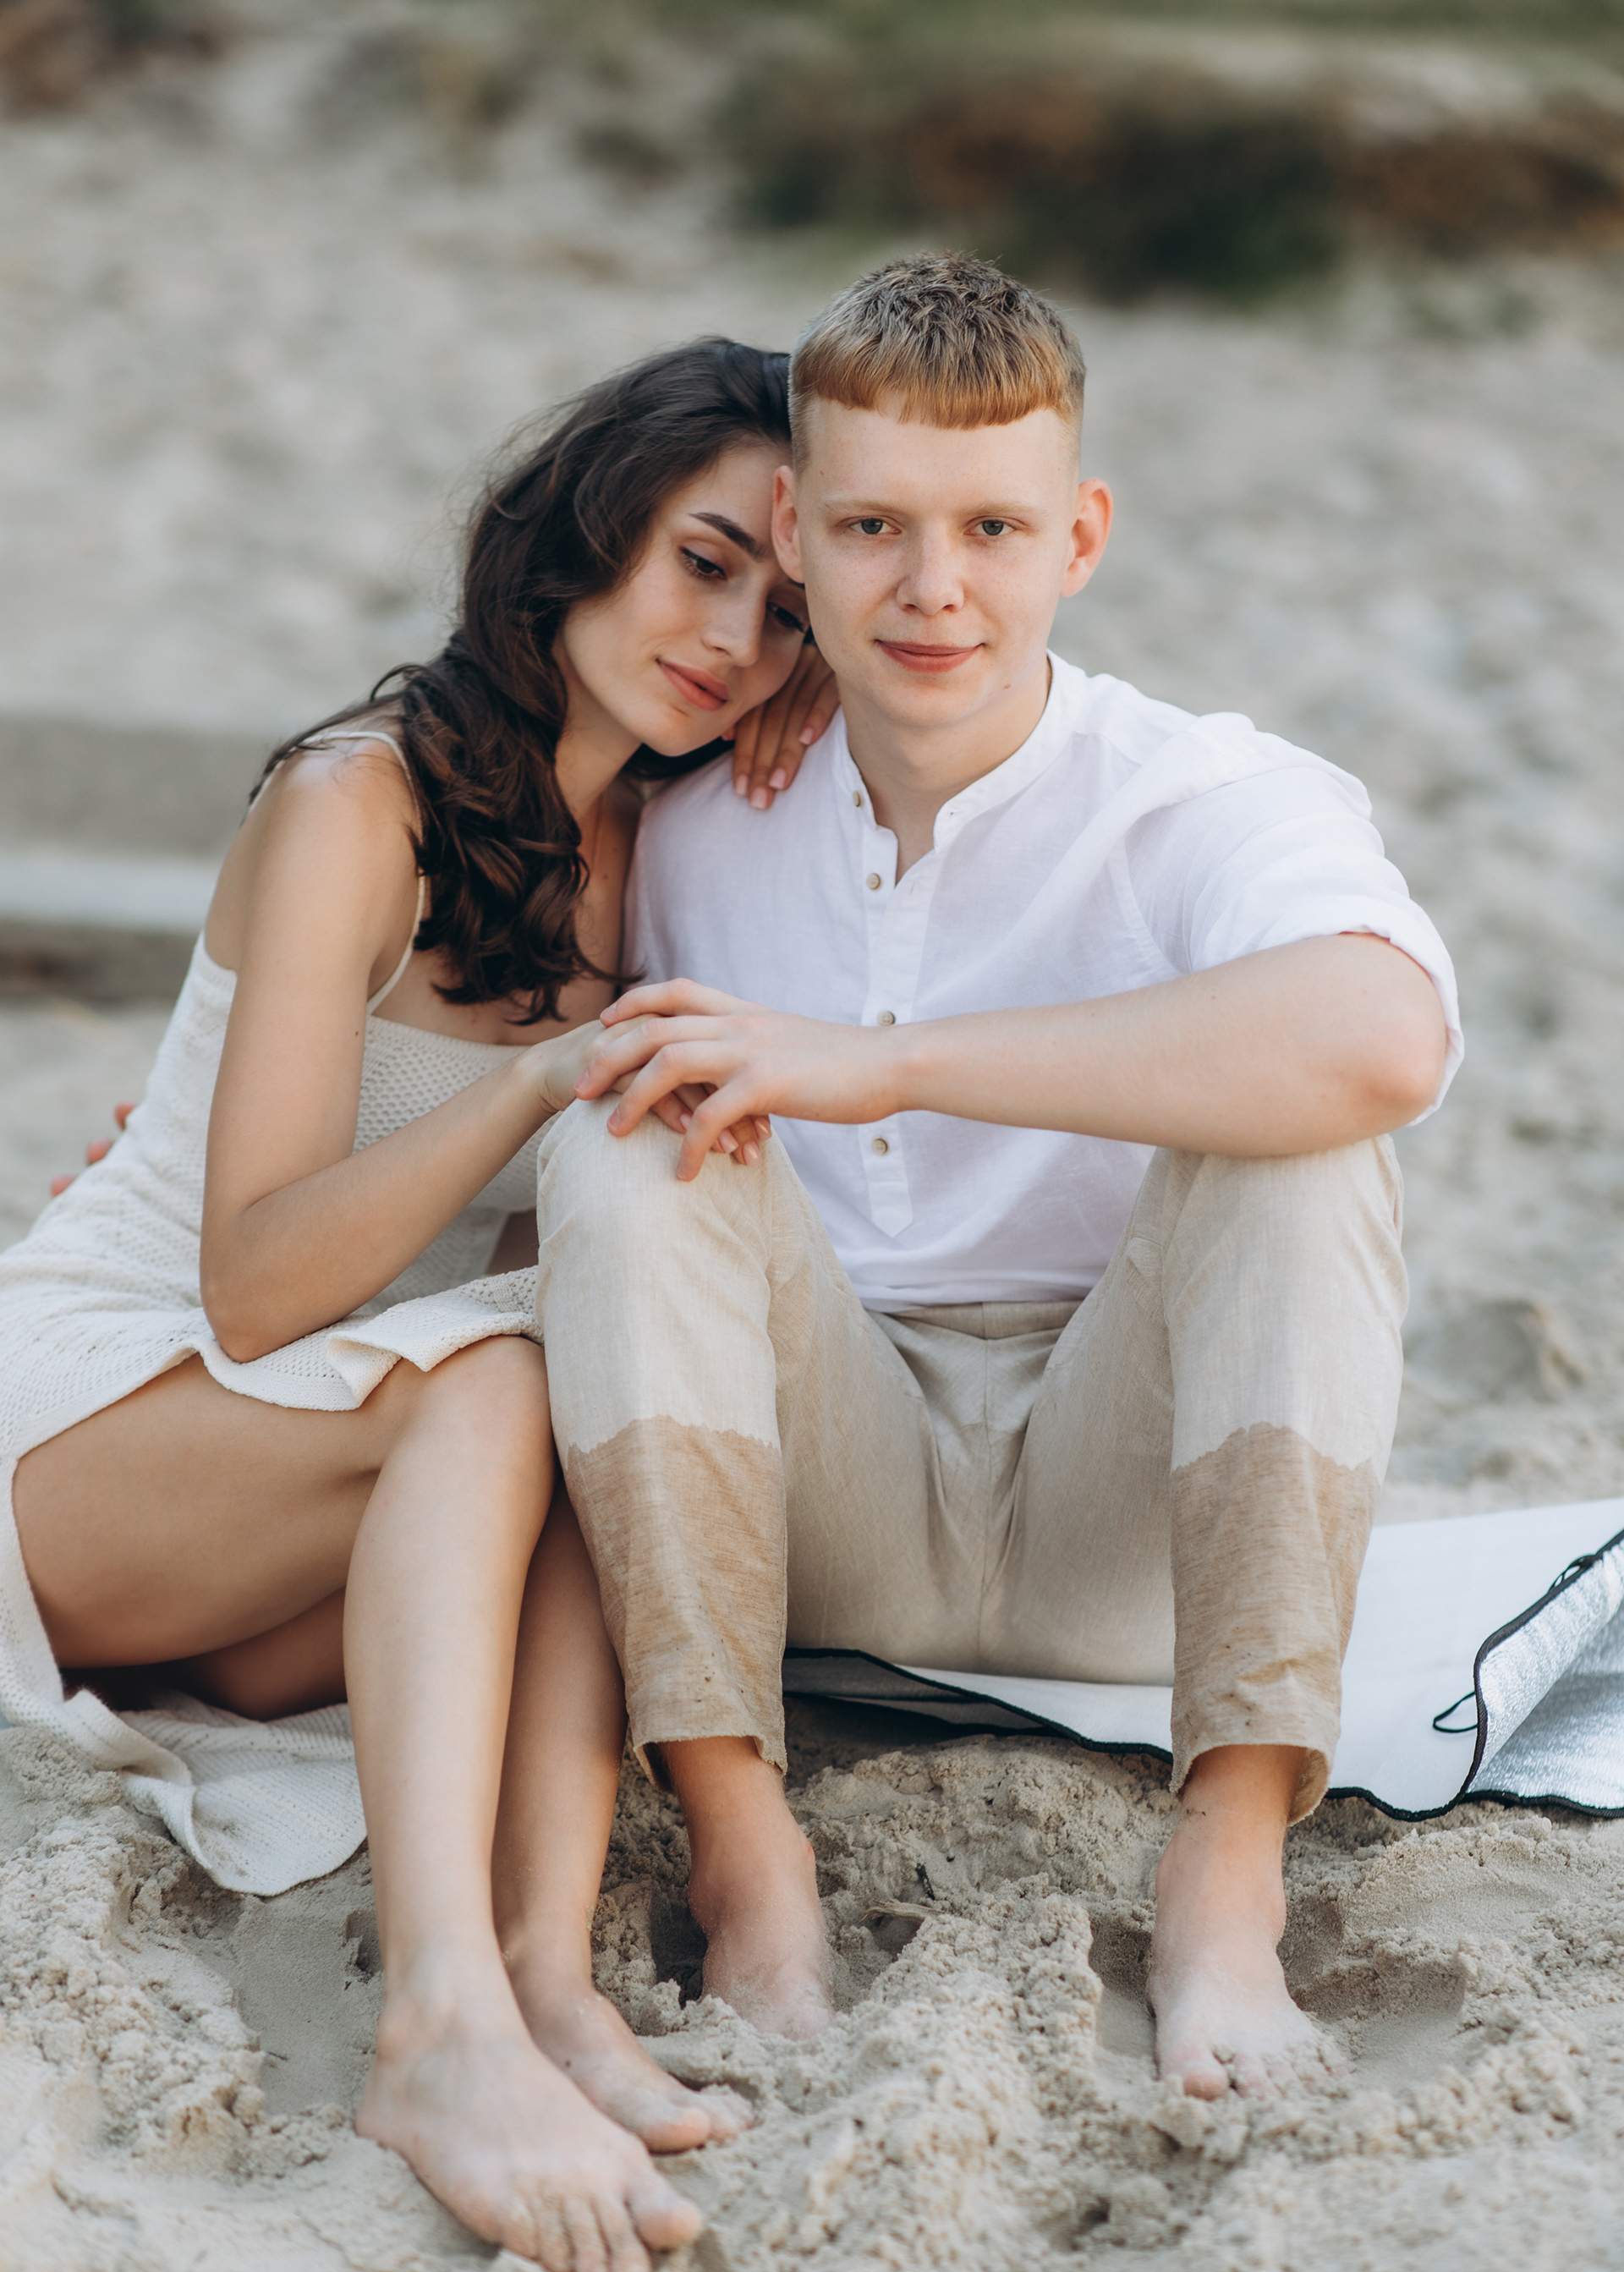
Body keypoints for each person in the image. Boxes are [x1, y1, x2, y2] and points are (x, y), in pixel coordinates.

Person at [527, 253, 1462, 2095]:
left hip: (1126, 1510)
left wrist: (883, 1060)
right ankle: (746, 1854)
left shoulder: (1200, 792)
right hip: (817, 1499)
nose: (932, 588)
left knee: (1302, 1146)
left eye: (992, 529)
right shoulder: (690, 825)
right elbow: (489, 1056)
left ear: (1079, 537)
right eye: (871, 526)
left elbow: (1384, 1039)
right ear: (792, 531)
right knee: (623, 1128)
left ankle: (1227, 1876)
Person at [0, 338, 836, 2272]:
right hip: (98, 1420)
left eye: (789, 616)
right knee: (507, 1375)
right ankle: (436, 2023)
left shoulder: (660, 856)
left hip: (324, 1500)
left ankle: (543, 1983)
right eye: (706, 562)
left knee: (577, 1391)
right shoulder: (353, 801)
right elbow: (253, 1284)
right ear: (589, 529)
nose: (732, 641)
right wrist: (533, 1084)